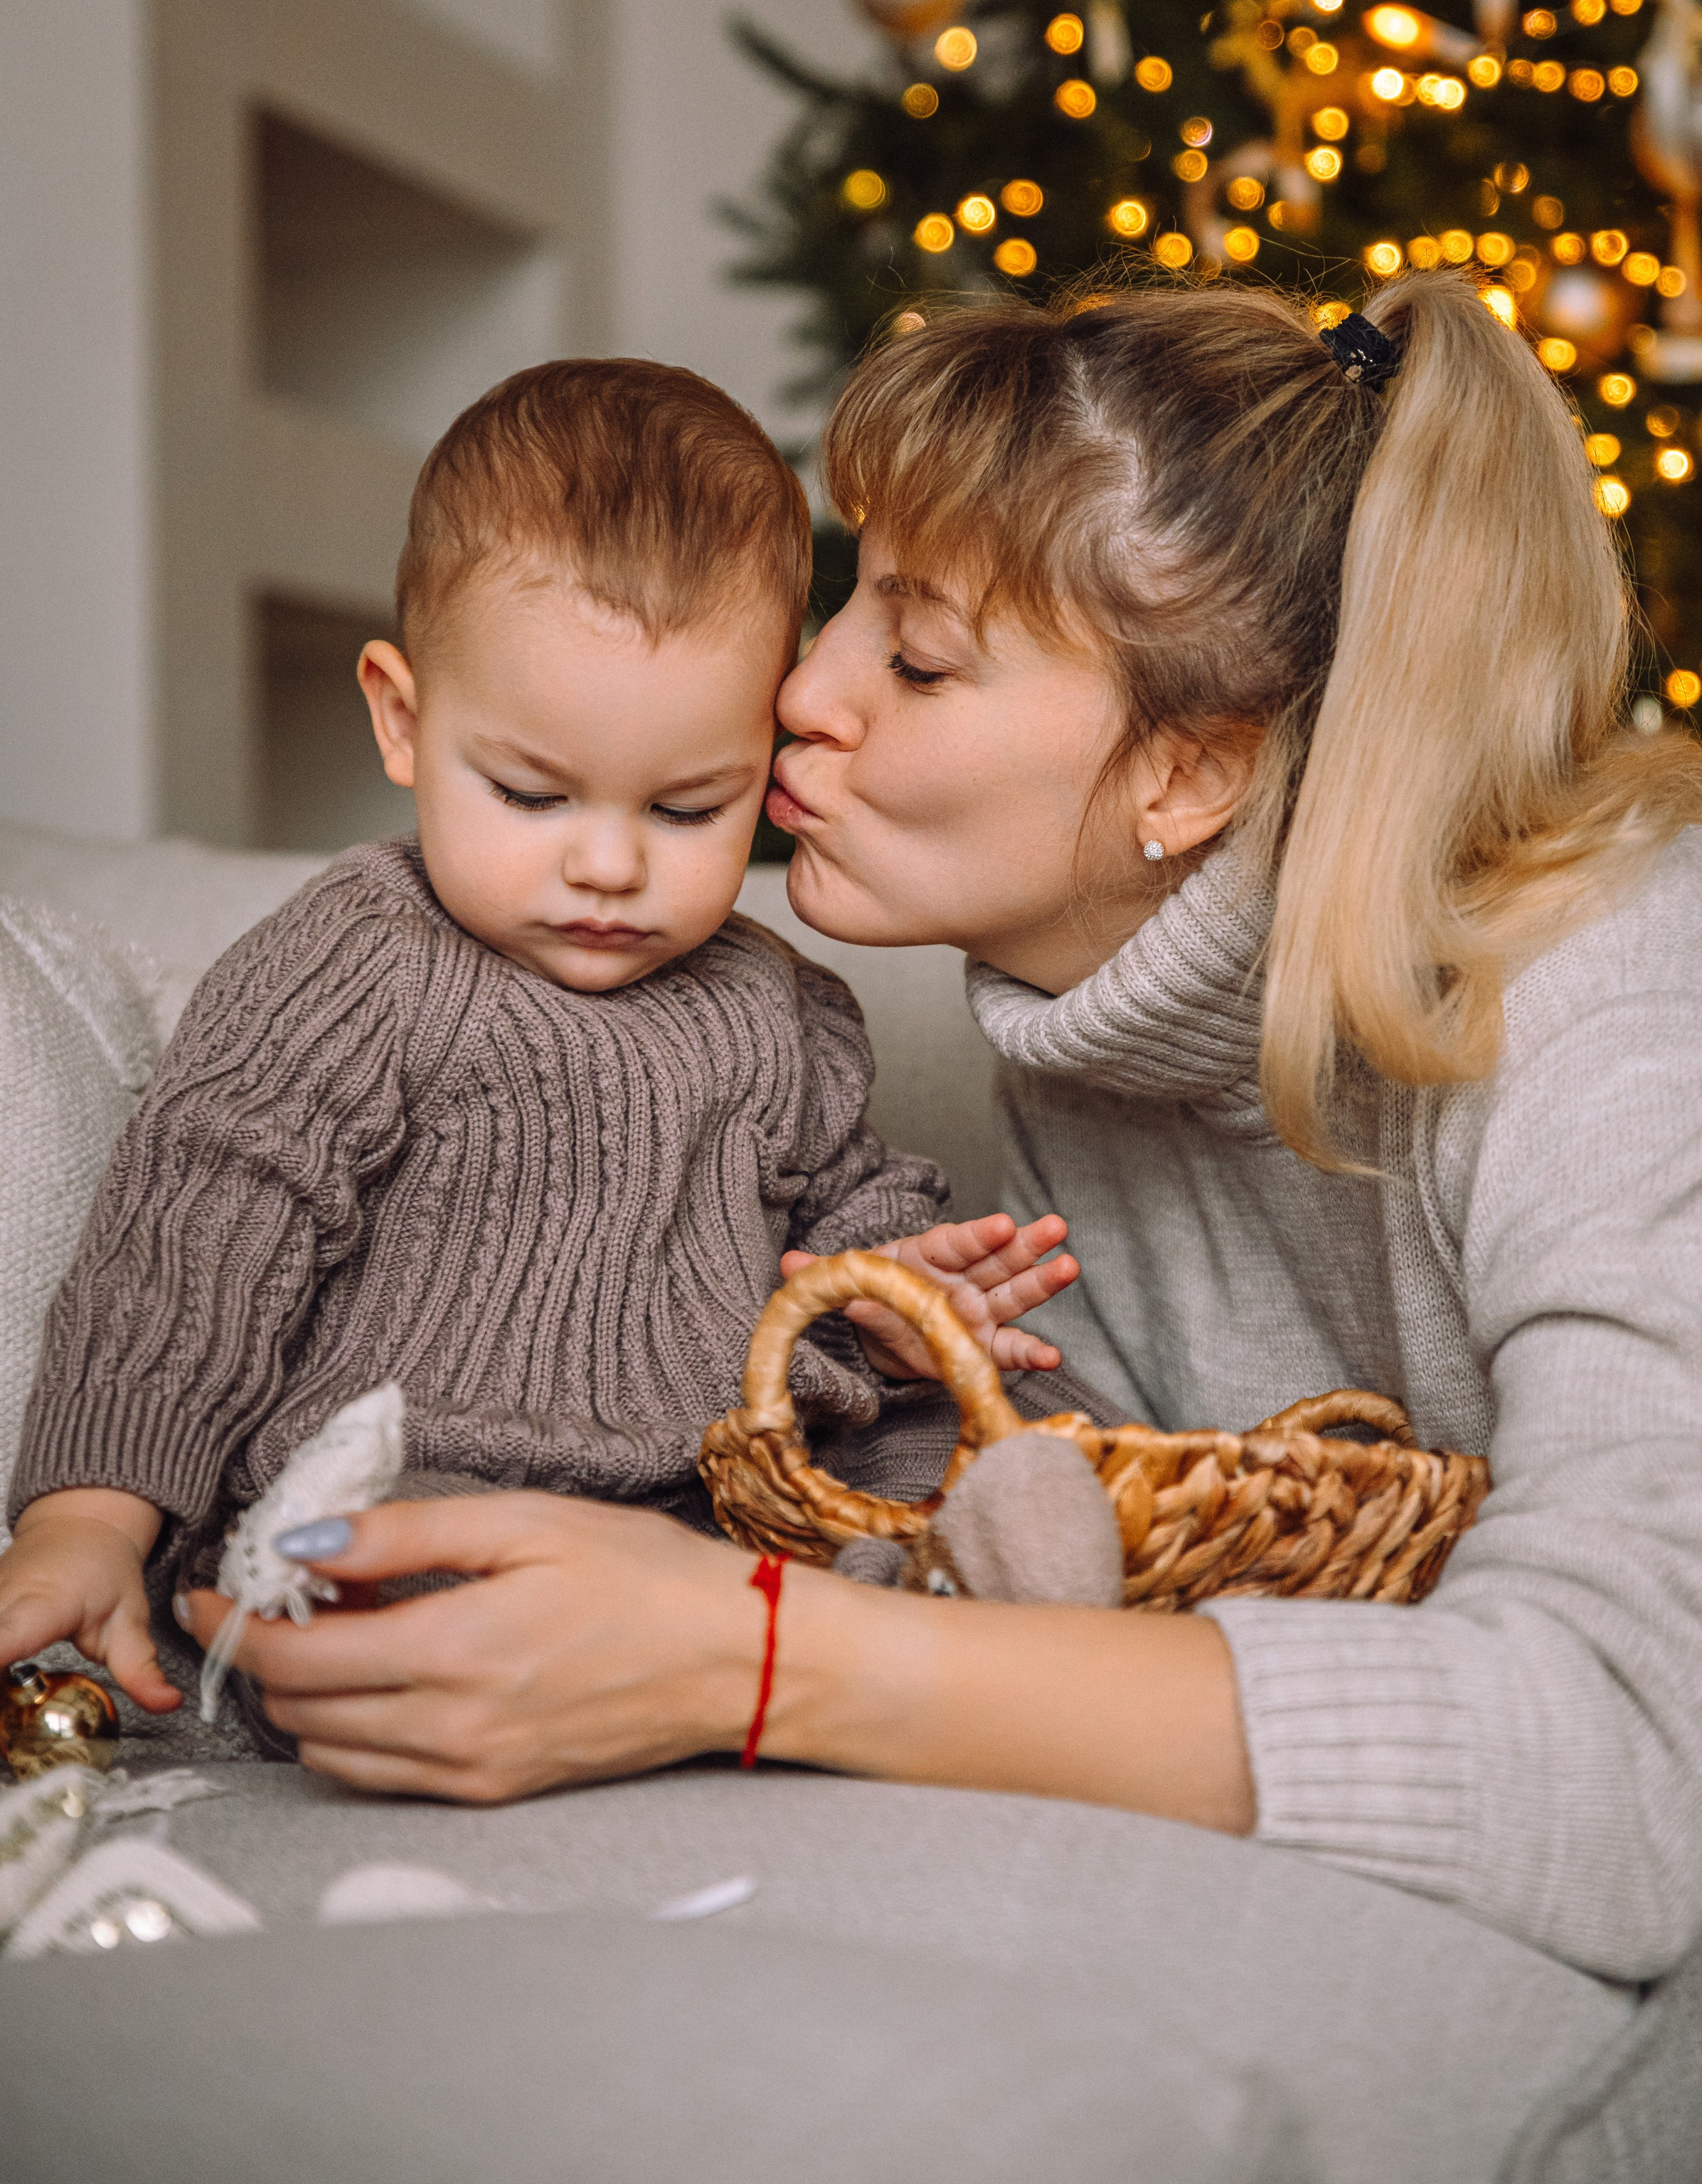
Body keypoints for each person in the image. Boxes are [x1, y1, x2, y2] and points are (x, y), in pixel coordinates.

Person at [180, 276, 1702, 2162]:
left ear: (1187, 773)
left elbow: (1630, 1757)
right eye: (847, 595)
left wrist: (752, 1655)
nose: (800, 691)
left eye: (919, 657)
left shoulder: (1623, 985)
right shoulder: (1090, 1015)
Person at [0, 356, 1080, 1723]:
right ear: (404, 719)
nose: (609, 867)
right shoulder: (357, 962)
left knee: (974, 1454)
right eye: (531, 793)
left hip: (725, 1481)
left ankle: (953, 1612)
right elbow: (196, 1242)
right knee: (369, 1566)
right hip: (434, 1466)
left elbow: (844, 1203)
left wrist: (894, 1294)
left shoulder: (777, 1006)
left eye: (688, 809)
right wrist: (90, 1519)